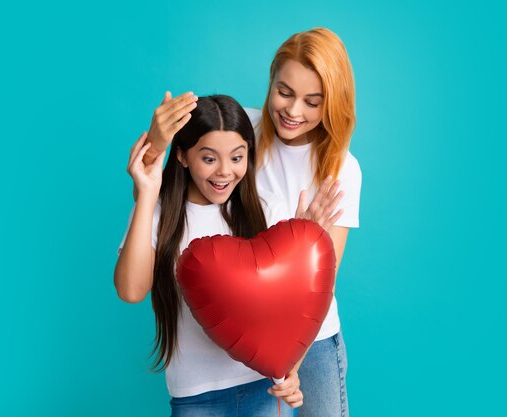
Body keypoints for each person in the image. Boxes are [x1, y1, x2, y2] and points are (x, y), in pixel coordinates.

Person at [141, 28, 361, 417]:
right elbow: (167, 178)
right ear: (271, 81)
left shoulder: (342, 168)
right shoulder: (245, 129)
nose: (293, 112)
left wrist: (288, 364)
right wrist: (157, 143)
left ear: (333, 102)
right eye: (285, 92)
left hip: (312, 332)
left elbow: (324, 279)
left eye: (313, 101)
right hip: (246, 334)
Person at [115, 95, 341, 416]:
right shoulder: (158, 212)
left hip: (263, 389)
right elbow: (131, 290)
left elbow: (292, 305)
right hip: (196, 397)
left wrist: (290, 370)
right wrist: (148, 194)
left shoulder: (267, 208)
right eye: (209, 159)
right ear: (182, 156)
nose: (224, 172)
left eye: (237, 158)